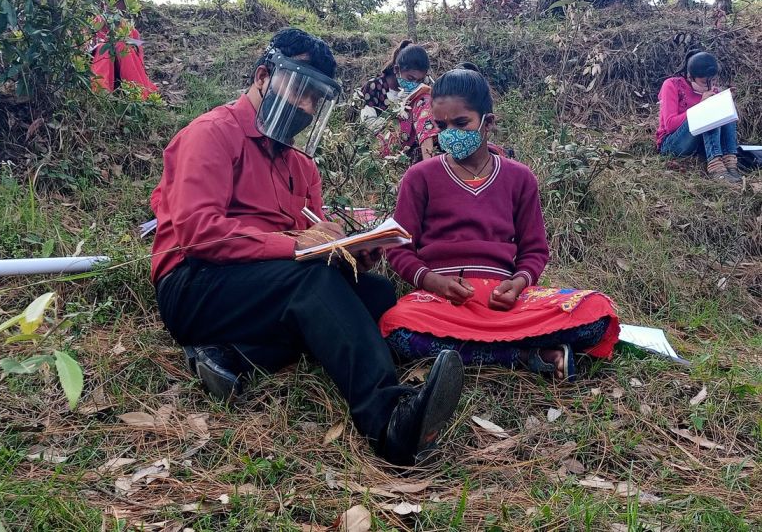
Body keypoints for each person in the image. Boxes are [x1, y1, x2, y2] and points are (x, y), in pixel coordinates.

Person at [150, 28, 464, 466]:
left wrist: (352, 250)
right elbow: (199, 233)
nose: (306, 106)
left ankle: (233, 355)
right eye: (300, 89)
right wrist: (296, 244)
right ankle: (390, 419)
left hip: (264, 286)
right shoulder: (211, 133)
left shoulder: (301, 166)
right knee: (313, 286)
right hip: (194, 285)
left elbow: (311, 239)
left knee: (374, 294)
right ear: (263, 76)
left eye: (316, 98)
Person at [379, 68, 620, 381]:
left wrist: (518, 284)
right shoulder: (420, 177)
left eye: (461, 123)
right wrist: (433, 282)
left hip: (508, 303)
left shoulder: (520, 178)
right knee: (395, 325)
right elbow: (399, 249)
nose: (449, 132)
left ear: (487, 123)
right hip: (443, 303)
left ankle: (475, 354)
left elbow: (534, 250)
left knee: (596, 313)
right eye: (441, 125)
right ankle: (522, 355)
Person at [657, 50, 740, 183]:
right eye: (704, 82)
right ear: (690, 77)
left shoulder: (712, 90)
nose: (710, 86)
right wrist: (700, 106)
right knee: (708, 110)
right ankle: (716, 168)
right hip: (672, 143)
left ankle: (730, 163)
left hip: (699, 145)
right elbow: (670, 125)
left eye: (713, 80)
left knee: (724, 106)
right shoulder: (672, 85)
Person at [356, 42, 437, 163]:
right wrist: (396, 111)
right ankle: (428, 163)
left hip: (410, 145)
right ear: (396, 70)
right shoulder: (374, 86)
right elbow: (367, 127)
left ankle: (428, 161)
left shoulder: (419, 89)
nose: (415, 83)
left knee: (425, 101)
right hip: (379, 145)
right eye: (410, 78)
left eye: (419, 80)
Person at [90, 0, 158, 97]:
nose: (118, 13)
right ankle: (101, 89)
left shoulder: (128, 28)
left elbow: (138, 48)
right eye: (115, 7)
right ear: (105, 4)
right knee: (105, 48)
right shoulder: (96, 22)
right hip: (99, 59)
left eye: (122, 10)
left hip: (123, 61)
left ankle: (137, 92)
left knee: (122, 46)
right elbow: (86, 43)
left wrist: (124, 41)